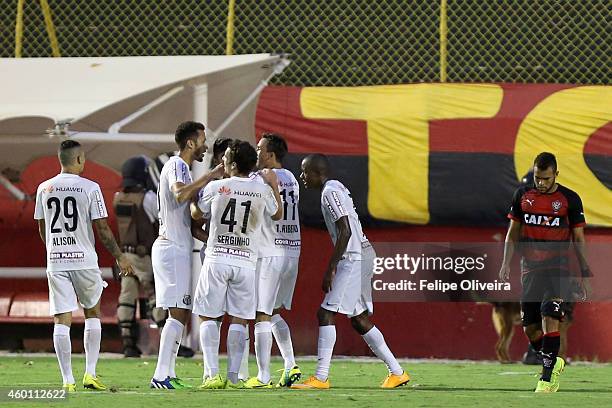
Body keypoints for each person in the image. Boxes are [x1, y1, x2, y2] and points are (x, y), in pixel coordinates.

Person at [293, 154, 409, 390]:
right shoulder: (337, 187)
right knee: (358, 319)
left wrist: (331, 267)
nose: (302, 177)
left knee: (325, 313)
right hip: (363, 253)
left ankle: (321, 378)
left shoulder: (329, 192)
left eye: (305, 172)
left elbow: (345, 230)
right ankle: (397, 372)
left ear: (317, 172)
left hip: (354, 257)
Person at [34, 140, 134, 392]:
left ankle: (67, 381)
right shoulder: (90, 188)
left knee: (61, 319)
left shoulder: (44, 188)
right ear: (78, 159)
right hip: (84, 260)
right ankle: (90, 373)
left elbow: (42, 227)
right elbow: (102, 228)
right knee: (92, 313)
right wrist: (119, 256)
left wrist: (55, 249)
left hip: (56, 260)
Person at [192, 140, 282, 389]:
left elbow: (196, 214)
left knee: (208, 316)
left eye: (226, 158)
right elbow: (277, 214)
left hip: (217, 256)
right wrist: (273, 187)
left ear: (231, 164)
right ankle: (233, 376)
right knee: (240, 319)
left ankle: (211, 375)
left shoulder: (217, 186)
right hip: (246, 261)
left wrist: (194, 197)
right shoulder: (261, 189)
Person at [499, 152, 591, 393]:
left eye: (546, 179)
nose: (541, 183)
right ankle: (554, 360)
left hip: (558, 268)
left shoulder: (570, 199)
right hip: (529, 269)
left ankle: (547, 378)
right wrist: (505, 263)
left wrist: (584, 271)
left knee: (550, 314)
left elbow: (579, 238)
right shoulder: (522, 195)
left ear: (555, 175)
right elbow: (513, 232)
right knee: (530, 328)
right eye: (538, 178)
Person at [149, 121, 224, 389]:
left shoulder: (183, 168)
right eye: (203, 140)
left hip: (176, 246)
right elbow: (179, 194)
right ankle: (160, 375)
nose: (206, 145)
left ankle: (166, 374)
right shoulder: (178, 165)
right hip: (171, 247)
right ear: (191, 142)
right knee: (177, 312)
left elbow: (190, 222)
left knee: (179, 312)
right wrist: (211, 175)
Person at [243, 133, 302, 388]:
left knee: (261, 314)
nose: (257, 152)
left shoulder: (260, 178)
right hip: (293, 252)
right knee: (275, 311)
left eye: (259, 148)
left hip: (269, 251)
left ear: (269, 154)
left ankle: (263, 375)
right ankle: (290, 365)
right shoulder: (292, 179)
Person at [113, 156, 166, 357]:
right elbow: (161, 223)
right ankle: (168, 342)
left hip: (125, 255)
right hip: (145, 257)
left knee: (126, 298)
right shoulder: (149, 198)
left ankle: (127, 343)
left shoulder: (117, 197)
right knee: (156, 298)